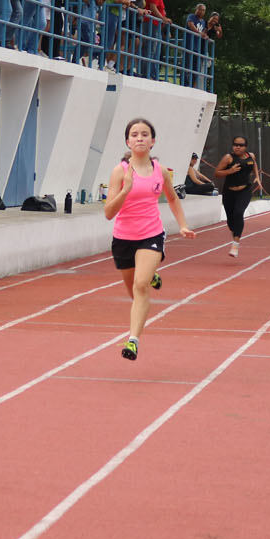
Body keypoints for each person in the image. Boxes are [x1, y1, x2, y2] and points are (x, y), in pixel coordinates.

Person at [104, 117, 195, 360]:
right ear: (128, 141)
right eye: (134, 135)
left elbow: (172, 198)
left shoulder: (160, 171)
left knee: (141, 285)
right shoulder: (119, 171)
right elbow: (109, 213)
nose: (140, 138)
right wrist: (126, 189)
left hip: (151, 234)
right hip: (123, 238)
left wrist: (183, 225)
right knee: (135, 292)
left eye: (145, 134)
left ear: (153, 141)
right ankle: (150, 276)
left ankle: (133, 340)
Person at [214, 135, 259, 257]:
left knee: (239, 213)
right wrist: (230, 171)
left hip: (245, 190)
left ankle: (235, 244)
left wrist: (257, 177)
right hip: (229, 192)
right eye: (235, 145)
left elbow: (254, 164)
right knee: (231, 221)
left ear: (246, 147)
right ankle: (235, 234)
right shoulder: (228, 158)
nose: (237, 147)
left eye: (241, 145)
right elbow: (217, 173)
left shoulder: (251, 156)